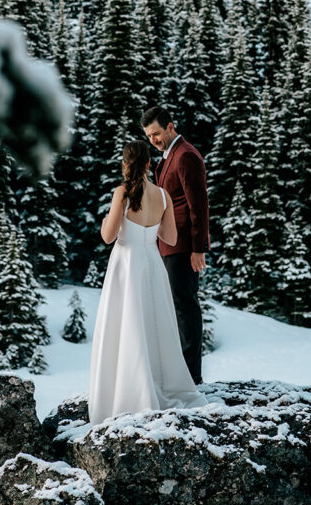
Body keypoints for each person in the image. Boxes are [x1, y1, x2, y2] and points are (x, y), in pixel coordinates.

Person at [88, 140, 207, 425]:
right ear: (149, 165)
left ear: (125, 165)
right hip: (152, 263)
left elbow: (108, 235)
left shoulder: (122, 193)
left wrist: (109, 217)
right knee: (153, 325)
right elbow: (171, 239)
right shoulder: (163, 194)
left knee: (126, 324)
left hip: (126, 264)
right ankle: (156, 382)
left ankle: (127, 390)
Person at [141, 105, 209, 386]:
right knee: (176, 306)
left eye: (156, 133)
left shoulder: (185, 156)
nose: (153, 140)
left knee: (185, 306)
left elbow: (199, 204)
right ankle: (182, 372)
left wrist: (198, 248)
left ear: (171, 126)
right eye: (149, 136)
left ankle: (192, 376)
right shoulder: (169, 157)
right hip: (170, 243)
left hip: (183, 245)